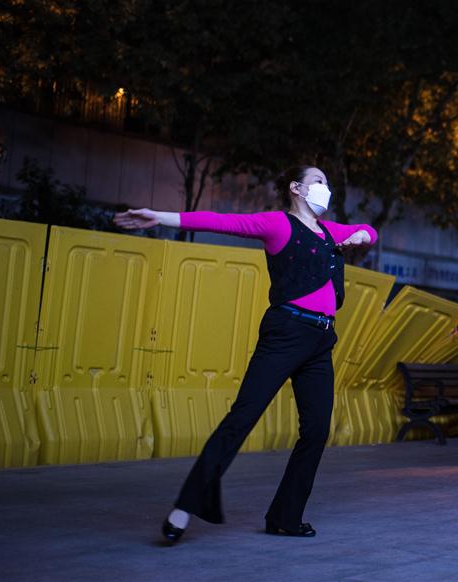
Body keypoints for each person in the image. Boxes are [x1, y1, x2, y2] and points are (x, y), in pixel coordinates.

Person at [114, 165, 377, 542]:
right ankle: (183, 508)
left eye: (328, 182)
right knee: (242, 419)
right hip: (286, 332)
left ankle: (285, 517)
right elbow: (219, 222)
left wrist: (362, 235)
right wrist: (161, 217)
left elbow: (371, 232)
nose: (326, 188)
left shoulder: (330, 232)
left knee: (317, 431)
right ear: (296, 188)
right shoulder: (279, 225)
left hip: (321, 341)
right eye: (319, 181)